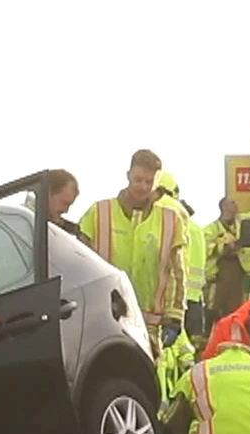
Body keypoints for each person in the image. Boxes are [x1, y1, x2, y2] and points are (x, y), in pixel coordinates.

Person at [79, 149, 186, 350]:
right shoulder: (98, 213)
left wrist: (174, 317)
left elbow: (177, 274)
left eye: (149, 182)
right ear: (127, 175)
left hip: (150, 327)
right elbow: (79, 264)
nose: (143, 187)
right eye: (138, 179)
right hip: (104, 319)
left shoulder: (171, 220)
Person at [154, 171, 207, 343]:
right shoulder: (196, 229)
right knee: (192, 348)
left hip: (166, 298)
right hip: (193, 299)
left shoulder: (156, 214)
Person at [206, 197, 247, 320]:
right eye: (233, 203)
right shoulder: (211, 229)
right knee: (215, 311)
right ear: (224, 207)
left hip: (241, 275)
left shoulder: (242, 225)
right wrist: (224, 246)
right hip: (219, 276)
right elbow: (207, 248)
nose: (237, 205)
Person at [45, 169, 85, 243]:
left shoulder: (69, 230)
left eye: (69, 205)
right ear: (48, 193)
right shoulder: (24, 220)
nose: (66, 210)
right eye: (64, 203)